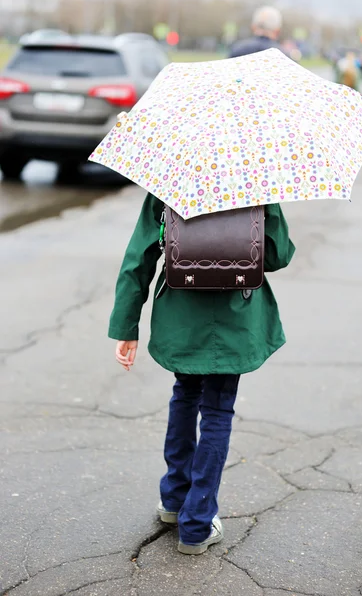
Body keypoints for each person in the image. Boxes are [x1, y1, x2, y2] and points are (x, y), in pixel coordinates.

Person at [109, 193, 295, 555]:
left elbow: (140, 255)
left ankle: (174, 500)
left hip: (182, 314)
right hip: (235, 316)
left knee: (185, 394)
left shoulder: (168, 182)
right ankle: (197, 523)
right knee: (217, 410)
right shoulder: (257, 182)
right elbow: (277, 255)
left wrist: (126, 324)